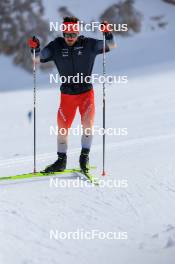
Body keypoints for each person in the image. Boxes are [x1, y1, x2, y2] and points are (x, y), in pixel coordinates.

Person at [28, 16, 116, 173]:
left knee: (87, 126)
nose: (70, 38)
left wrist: (108, 33)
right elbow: (37, 58)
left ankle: (84, 158)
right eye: (67, 35)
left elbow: (111, 46)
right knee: (62, 129)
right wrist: (35, 48)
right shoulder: (56, 46)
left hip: (86, 94)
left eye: (73, 34)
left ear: (78, 33)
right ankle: (61, 161)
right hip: (67, 96)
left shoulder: (88, 44)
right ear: (63, 33)